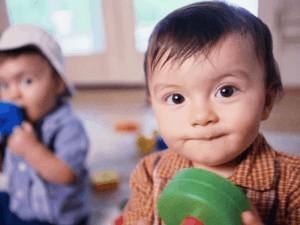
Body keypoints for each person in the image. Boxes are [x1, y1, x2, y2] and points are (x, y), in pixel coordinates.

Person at [122, 1, 300, 225]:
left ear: (268, 100)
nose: (201, 116)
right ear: (154, 107)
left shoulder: (293, 183)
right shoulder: (149, 175)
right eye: (176, 98)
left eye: (226, 91)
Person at [0, 24, 90, 225]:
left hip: (54, 217)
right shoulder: (11, 124)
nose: (13, 94)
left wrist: (31, 148)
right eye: (4, 85)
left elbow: (66, 175)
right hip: (20, 204)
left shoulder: (68, 126)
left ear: (57, 83)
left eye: (26, 81)